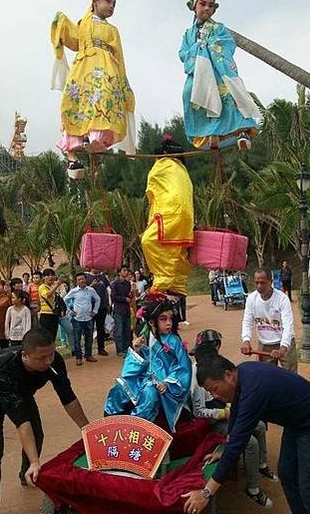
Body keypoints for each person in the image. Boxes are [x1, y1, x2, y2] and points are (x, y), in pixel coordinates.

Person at [182, 356, 310, 514]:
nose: (214, 396)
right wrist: (225, 450)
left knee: (309, 491)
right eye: (209, 392)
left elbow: (238, 443)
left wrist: (206, 493)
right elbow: (235, 413)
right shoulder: (242, 374)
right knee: (287, 475)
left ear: (228, 375)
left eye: (214, 389)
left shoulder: (254, 389)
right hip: (296, 423)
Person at [0, 328, 89, 514]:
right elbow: (21, 421)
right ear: (25, 355)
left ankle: (26, 473)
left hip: (22, 394)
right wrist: (37, 461)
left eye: (50, 354)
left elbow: (67, 396)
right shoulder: (4, 369)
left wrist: (88, 429)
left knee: (37, 435)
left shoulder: (54, 361)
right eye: (42, 358)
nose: (48, 361)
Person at [50, 0, 135, 179]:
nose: (111, 6)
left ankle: (96, 138)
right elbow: (73, 40)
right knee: (76, 103)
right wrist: (60, 24)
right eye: (108, 0)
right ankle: (72, 157)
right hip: (84, 67)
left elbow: (120, 55)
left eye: (114, 3)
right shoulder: (85, 23)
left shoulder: (113, 30)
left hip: (107, 68)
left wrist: (124, 84)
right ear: (95, 1)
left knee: (104, 97)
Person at [192, 330, 276, 508]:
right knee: (249, 442)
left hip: (228, 413)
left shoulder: (219, 368)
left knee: (259, 426)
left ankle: (261, 464)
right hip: (213, 422)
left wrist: (230, 410)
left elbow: (235, 396)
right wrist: (223, 414)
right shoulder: (199, 375)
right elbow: (198, 411)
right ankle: (253, 488)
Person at [179, 0, 259, 152]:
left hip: (217, 72)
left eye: (210, 5)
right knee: (189, 94)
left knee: (229, 93)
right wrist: (198, 49)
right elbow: (183, 53)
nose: (206, 8)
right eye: (202, 4)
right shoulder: (188, 33)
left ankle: (241, 132)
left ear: (215, 8)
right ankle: (209, 134)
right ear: (194, 6)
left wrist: (207, 47)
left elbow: (227, 44)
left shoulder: (219, 28)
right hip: (198, 73)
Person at [104, 300, 192, 432]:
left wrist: (167, 383)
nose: (169, 323)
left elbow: (184, 367)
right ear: (151, 322)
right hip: (144, 377)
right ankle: (110, 419)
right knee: (121, 385)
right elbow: (129, 371)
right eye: (163, 319)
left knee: (149, 392)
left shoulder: (174, 341)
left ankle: (136, 428)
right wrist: (136, 350)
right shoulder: (143, 338)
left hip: (165, 383)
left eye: (170, 319)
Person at [140, 136, 194, 297]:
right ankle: (178, 284)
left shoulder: (162, 165)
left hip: (169, 212)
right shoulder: (182, 170)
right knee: (177, 248)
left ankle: (164, 279)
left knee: (149, 241)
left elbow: (151, 191)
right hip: (184, 214)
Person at [240, 268, 297, 371]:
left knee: (291, 376)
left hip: (284, 341)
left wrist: (283, 348)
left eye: (262, 283)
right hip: (265, 343)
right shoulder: (251, 299)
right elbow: (247, 321)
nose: (259, 286)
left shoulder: (282, 299)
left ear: (270, 282)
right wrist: (246, 340)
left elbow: (288, 326)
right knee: (265, 375)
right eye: (256, 283)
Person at [64, 272, 100, 366]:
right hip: (77, 319)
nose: (82, 281)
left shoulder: (91, 290)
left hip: (88, 318)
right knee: (77, 339)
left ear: (85, 279)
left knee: (89, 338)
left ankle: (88, 355)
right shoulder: (73, 291)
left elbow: (97, 299)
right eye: (79, 279)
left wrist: (95, 311)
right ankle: (78, 357)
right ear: (77, 281)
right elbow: (65, 300)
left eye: (83, 278)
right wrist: (69, 311)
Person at [85, 268, 110, 356]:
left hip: (102, 307)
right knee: (89, 329)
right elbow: (83, 291)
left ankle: (101, 348)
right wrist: (92, 285)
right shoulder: (86, 277)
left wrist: (107, 304)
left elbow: (106, 291)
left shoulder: (102, 277)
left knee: (101, 328)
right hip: (90, 308)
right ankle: (88, 351)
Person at [110, 266, 133, 357]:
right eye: (124, 270)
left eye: (127, 270)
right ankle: (120, 350)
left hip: (126, 309)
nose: (126, 272)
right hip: (119, 310)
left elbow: (129, 296)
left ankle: (127, 348)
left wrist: (131, 295)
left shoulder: (128, 284)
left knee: (127, 331)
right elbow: (114, 297)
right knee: (119, 331)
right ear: (119, 272)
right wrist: (124, 299)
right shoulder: (115, 284)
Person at [38, 268, 64, 342]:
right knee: (45, 337)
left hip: (55, 314)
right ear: (43, 277)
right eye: (47, 275)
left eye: (52, 275)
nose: (50, 277)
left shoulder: (55, 286)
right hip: (45, 314)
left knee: (53, 336)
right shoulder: (42, 287)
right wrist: (56, 285)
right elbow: (48, 295)